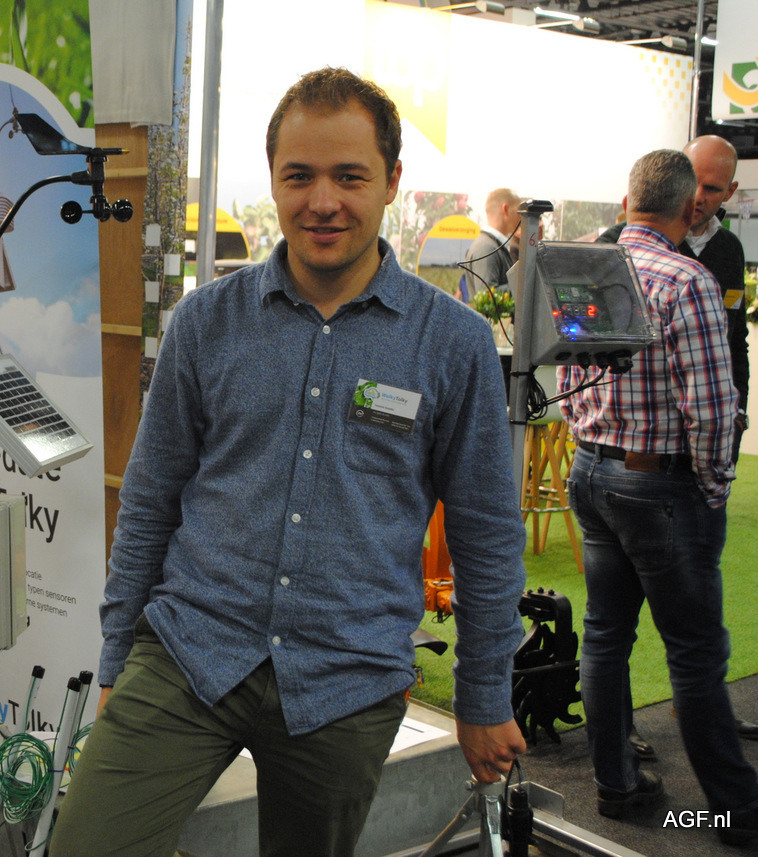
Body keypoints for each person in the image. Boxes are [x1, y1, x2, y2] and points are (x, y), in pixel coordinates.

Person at [48, 67, 527, 857]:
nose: (322, 201)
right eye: (299, 176)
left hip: (348, 676)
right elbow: (151, 500)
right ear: (273, 179)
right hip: (191, 650)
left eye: (350, 176)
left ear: (392, 181)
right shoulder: (207, 321)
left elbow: (486, 534)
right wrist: (115, 658)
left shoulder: (453, 343)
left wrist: (484, 693)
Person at [558, 149, 758, 840]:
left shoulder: (587, 265)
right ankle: (736, 809)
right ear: (685, 207)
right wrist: (712, 485)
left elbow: (569, 379)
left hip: (591, 469)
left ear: (628, 201)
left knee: (605, 634)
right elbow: (712, 408)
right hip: (659, 484)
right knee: (696, 652)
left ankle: (615, 785)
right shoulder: (688, 279)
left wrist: (592, 436)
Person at [683, 134, 749, 466]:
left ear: (730, 192)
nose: (697, 196)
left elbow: (735, 340)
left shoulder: (730, 248)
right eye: (692, 181)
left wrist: (738, 414)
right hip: (650, 434)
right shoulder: (640, 241)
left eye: (711, 188)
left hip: (715, 431)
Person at [464, 188, 521, 294]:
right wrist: (525, 285)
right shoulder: (486, 248)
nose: (520, 217)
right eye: (518, 211)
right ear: (506, 209)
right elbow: (487, 295)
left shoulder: (492, 245)